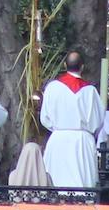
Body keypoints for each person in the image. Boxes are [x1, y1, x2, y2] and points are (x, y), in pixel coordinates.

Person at [40, 50, 103, 187]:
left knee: (56, 181)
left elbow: (44, 118)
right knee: (81, 183)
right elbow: (98, 121)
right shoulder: (90, 91)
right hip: (82, 141)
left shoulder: (53, 87)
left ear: (64, 65)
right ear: (82, 67)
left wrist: (58, 128)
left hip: (58, 140)